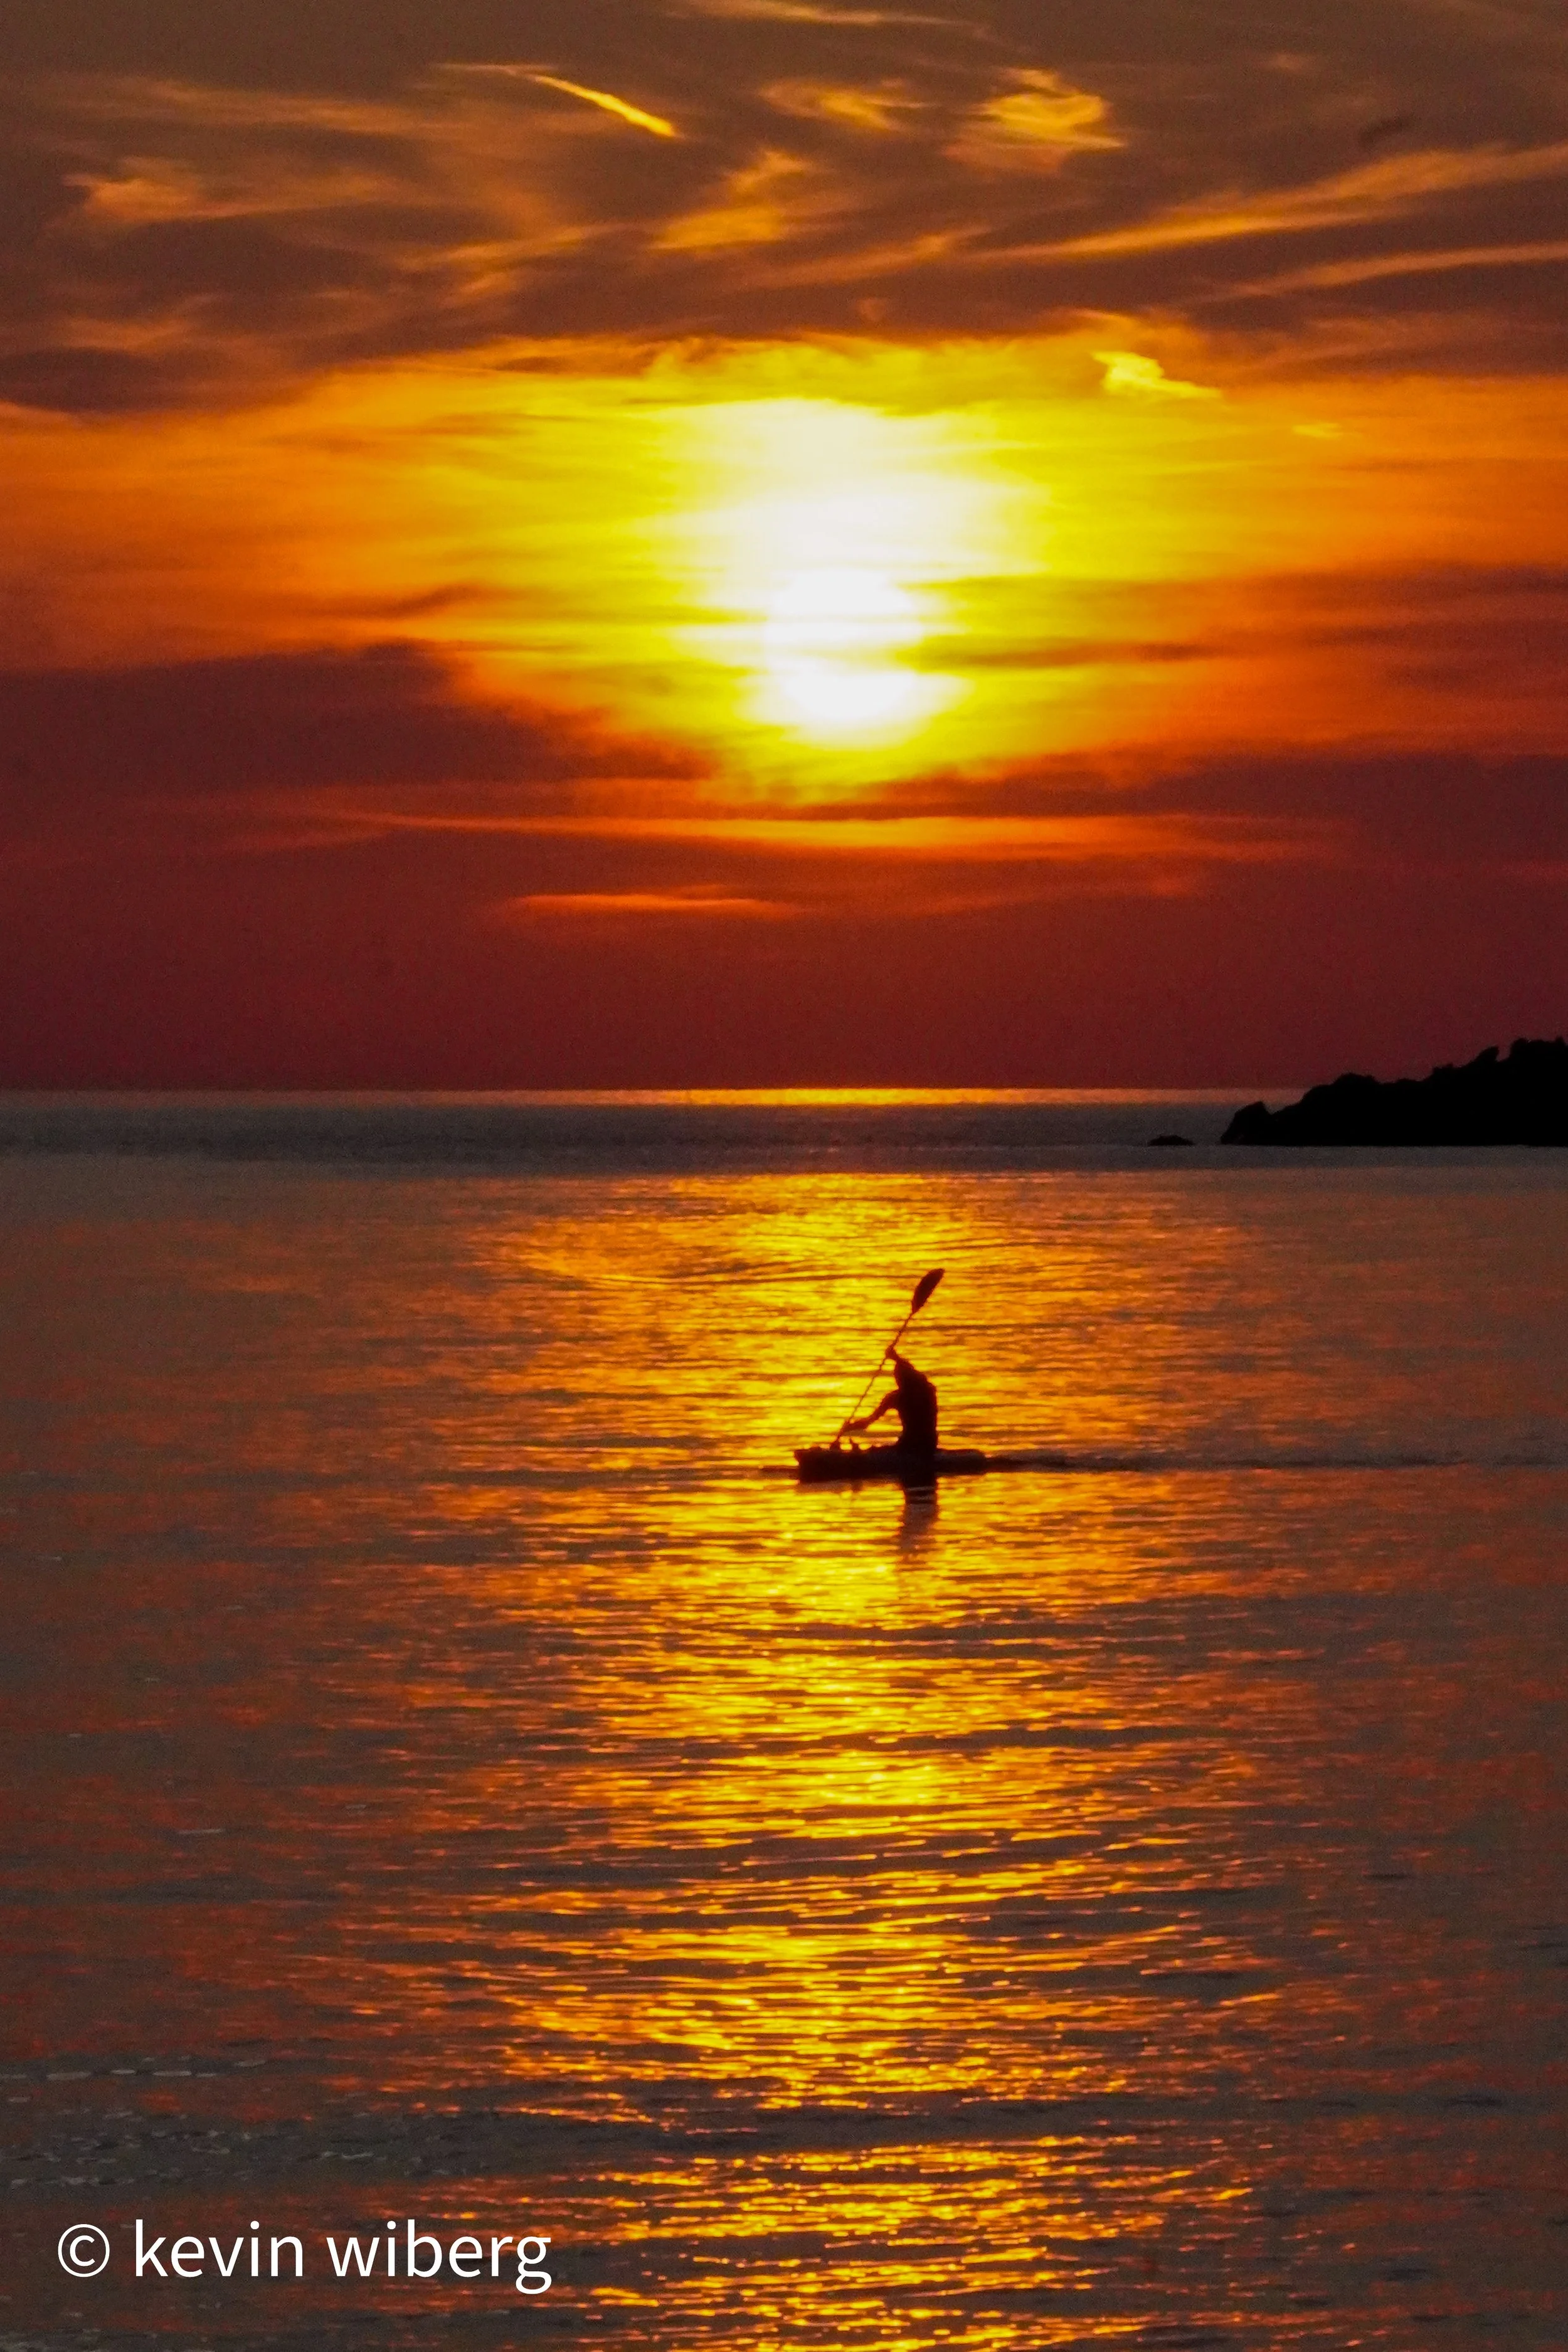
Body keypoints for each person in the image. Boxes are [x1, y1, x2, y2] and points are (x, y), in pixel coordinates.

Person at [848, 1350, 938, 1465]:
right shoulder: (925, 1391)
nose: (898, 1381)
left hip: (916, 1445)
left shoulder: (919, 1393)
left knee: (877, 1452)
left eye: (900, 1378)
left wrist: (850, 1427)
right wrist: (850, 1427)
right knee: (877, 1450)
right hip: (922, 1444)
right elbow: (869, 1421)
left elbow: (869, 1421)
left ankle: (861, 1459)